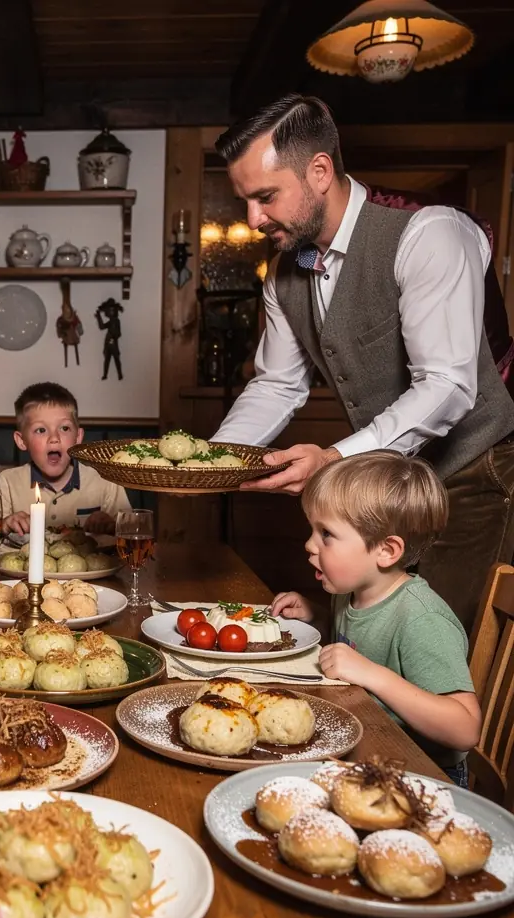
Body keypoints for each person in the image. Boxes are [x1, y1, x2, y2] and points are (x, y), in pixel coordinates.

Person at [209, 94, 514, 634]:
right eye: (246, 201)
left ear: (320, 171)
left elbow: (446, 384)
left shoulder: (429, 233)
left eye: (265, 197)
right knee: (379, 633)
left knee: (450, 647)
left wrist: (333, 458)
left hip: (477, 472)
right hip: (390, 483)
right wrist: (214, 464)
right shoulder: (283, 271)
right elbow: (277, 384)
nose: (252, 219)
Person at [271, 452, 481, 786]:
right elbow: (359, 638)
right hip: (370, 747)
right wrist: (318, 616)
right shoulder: (348, 589)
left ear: (386, 551)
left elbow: (465, 729)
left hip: (425, 774)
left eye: (326, 533)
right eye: (312, 529)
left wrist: (373, 675)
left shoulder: (422, 619)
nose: (309, 544)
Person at [0, 382, 130, 535]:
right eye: (41, 430)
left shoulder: (105, 482)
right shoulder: (7, 484)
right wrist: (4, 525)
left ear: (78, 437)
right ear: (22, 441)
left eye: (64, 428)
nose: (54, 438)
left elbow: (133, 533)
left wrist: (110, 526)